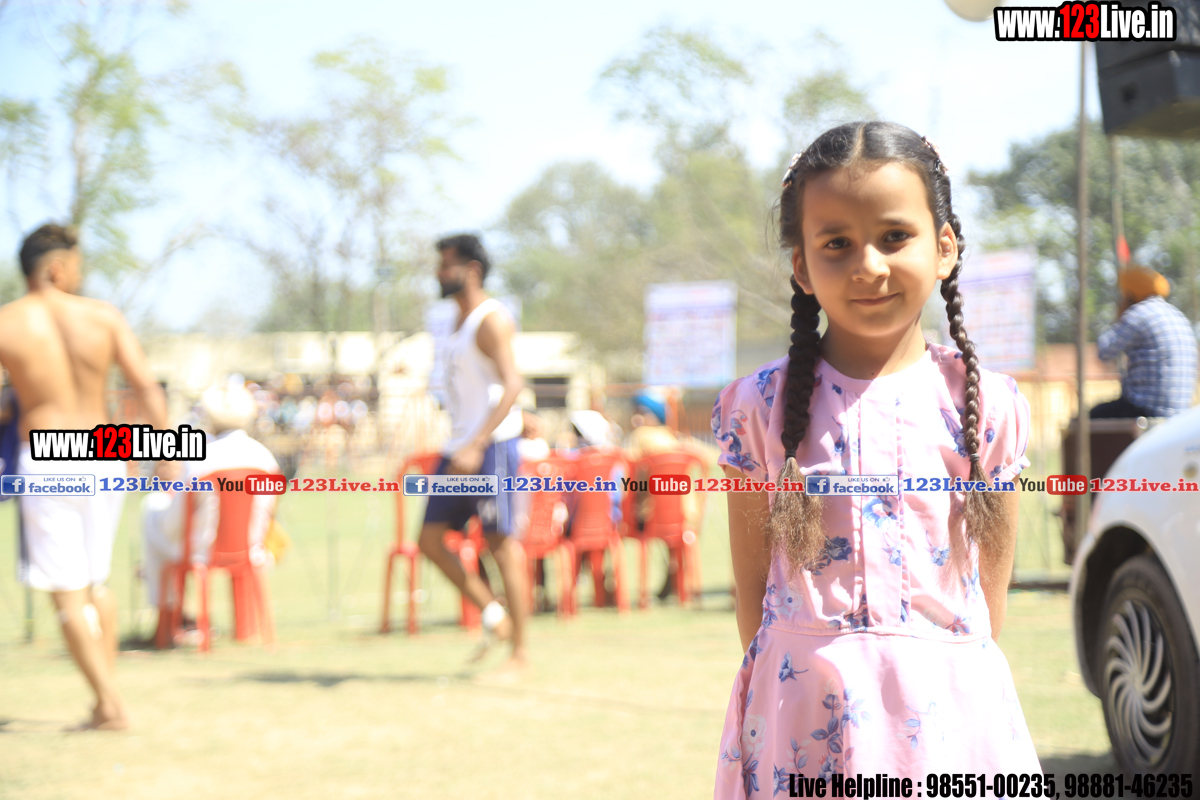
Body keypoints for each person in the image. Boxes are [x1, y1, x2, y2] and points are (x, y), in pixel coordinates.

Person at [711, 122, 1039, 791]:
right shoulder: (757, 408)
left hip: (949, 714)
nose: (868, 265)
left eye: (894, 237)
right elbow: (753, 593)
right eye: (837, 243)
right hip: (803, 713)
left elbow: (989, 597)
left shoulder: (989, 407)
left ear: (944, 248)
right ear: (802, 265)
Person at [0, 223, 169, 731]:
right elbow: (146, 386)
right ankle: (104, 702)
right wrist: (166, 452)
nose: (80, 275)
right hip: (105, 449)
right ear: (56, 268)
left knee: (66, 590)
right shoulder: (103, 316)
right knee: (96, 581)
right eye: (76, 266)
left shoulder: (8, 323)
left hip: (47, 452)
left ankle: (109, 704)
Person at [417, 233, 528, 668]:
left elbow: (513, 384)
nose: (439, 272)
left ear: (472, 270)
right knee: (429, 540)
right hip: (458, 447)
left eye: (447, 264)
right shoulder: (456, 322)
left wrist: (478, 442)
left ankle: (520, 653)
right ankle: (494, 615)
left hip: (491, 448)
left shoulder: (490, 320)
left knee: (501, 546)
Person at [141, 380, 280, 627]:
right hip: (252, 548)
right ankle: (243, 626)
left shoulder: (200, 459)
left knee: (152, 509)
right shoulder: (265, 458)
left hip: (202, 550)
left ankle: (169, 618)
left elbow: (174, 523)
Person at [1092, 265, 1197, 418]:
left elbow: (1104, 352)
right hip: (1179, 413)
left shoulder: (1138, 314)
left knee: (1085, 421)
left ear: (1130, 294)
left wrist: (1119, 317)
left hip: (1146, 410)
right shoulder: (1178, 315)